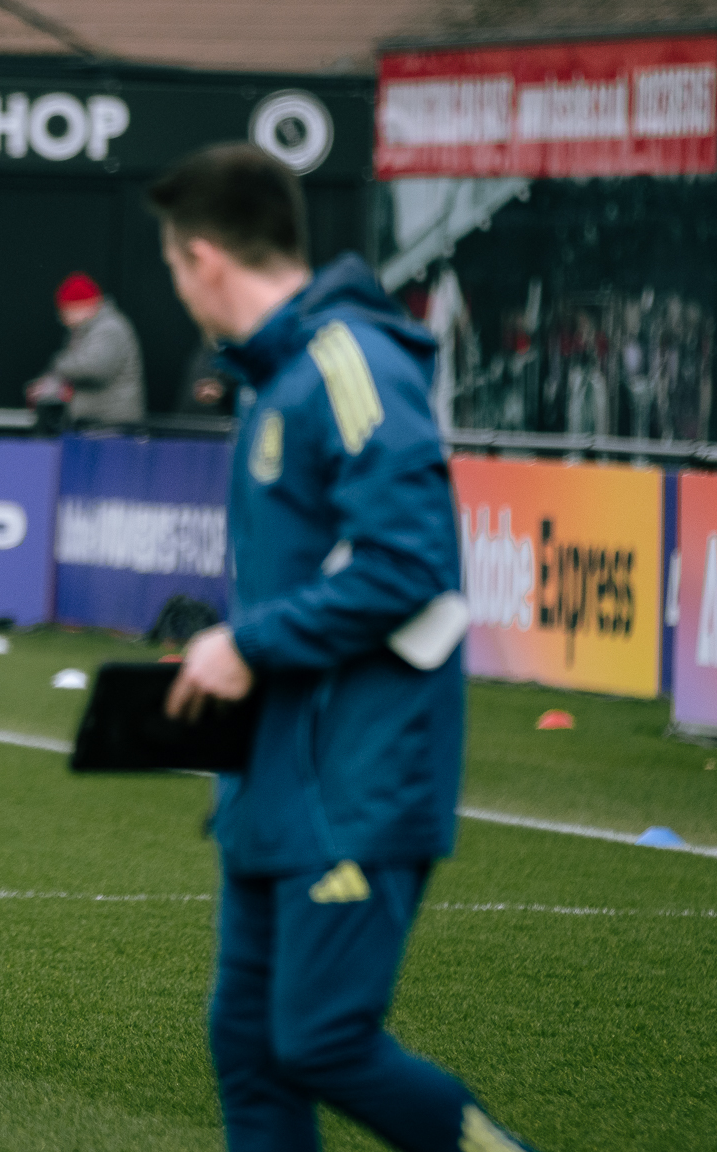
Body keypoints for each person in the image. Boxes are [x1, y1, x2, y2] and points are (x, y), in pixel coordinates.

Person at [155, 143, 538, 1152]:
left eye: (168, 261)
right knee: (247, 1045)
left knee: (319, 1038)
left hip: (356, 778)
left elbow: (407, 563)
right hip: (275, 779)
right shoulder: (273, 379)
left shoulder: (347, 365)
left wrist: (249, 645)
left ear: (200, 258)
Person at [25, 272, 144, 430]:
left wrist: (58, 364)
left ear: (82, 306)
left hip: (113, 426)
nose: (64, 319)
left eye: (65, 312)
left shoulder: (109, 328)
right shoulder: (83, 331)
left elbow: (93, 368)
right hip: (95, 425)